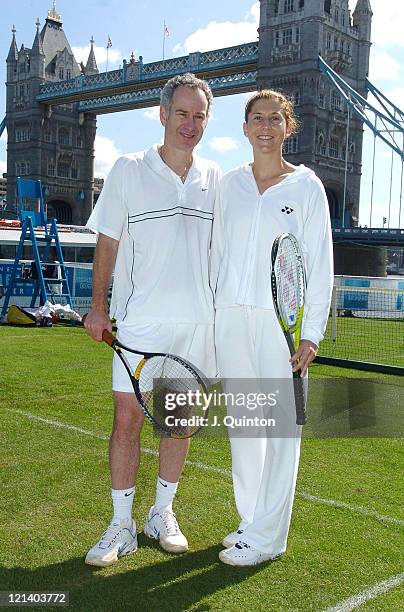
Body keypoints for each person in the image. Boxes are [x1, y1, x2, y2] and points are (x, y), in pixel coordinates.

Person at [84, 73, 221, 567]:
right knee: (128, 422)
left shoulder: (216, 180)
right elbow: (108, 242)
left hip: (197, 328)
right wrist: (98, 306)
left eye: (199, 115)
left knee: (179, 425)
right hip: (140, 324)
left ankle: (161, 513)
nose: (190, 124)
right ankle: (120, 523)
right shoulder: (127, 170)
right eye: (181, 113)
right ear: (162, 114)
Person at [210, 90, 333, 566]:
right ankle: (250, 522)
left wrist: (312, 332)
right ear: (244, 128)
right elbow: (217, 252)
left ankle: (268, 539)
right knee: (245, 429)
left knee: (281, 432)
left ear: (288, 127)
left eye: (274, 119)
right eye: (256, 119)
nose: (265, 127)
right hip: (232, 321)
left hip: (282, 328)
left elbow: (319, 263)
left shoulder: (307, 187)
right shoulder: (229, 185)